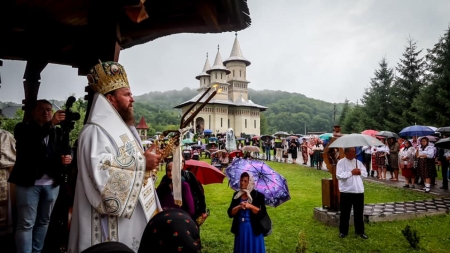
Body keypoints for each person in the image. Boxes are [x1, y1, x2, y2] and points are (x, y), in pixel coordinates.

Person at [68, 61, 162, 252]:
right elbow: (102, 172)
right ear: (110, 99)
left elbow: (133, 162)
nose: (132, 99)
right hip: (106, 225)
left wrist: (147, 160)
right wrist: (143, 163)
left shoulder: (123, 131)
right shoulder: (94, 131)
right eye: (127, 94)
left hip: (130, 221)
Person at [8, 100, 72, 253]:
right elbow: (31, 143)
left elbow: (64, 150)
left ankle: (37, 251)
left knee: (44, 222)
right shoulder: (23, 128)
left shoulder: (57, 131)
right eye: (41, 110)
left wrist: (67, 158)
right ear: (33, 112)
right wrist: (52, 124)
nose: (46, 113)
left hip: (52, 183)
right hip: (28, 183)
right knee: (25, 223)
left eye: (49, 110)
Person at [227, 172, 267, 253]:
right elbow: (230, 214)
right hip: (241, 229)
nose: (242, 183)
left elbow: (262, 214)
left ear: (250, 182)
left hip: (254, 230)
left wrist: (250, 206)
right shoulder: (236, 195)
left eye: (245, 181)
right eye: (241, 180)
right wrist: (238, 207)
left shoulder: (258, 196)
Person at [336, 147, 368, 239]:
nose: (355, 153)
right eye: (353, 151)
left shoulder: (358, 162)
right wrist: (351, 172)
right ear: (346, 152)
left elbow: (365, 173)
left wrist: (360, 172)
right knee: (345, 212)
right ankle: (343, 231)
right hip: (347, 191)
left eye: (355, 152)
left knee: (359, 212)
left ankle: (360, 231)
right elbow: (339, 175)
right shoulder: (341, 162)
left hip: (358, 190)